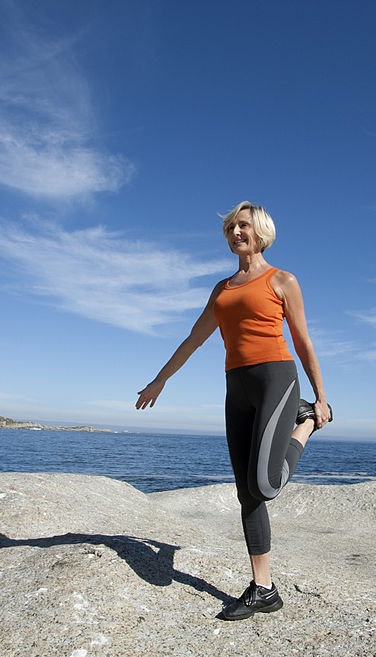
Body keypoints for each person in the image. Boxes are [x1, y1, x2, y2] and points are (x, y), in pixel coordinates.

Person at [135, 200, 331, 621]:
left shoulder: (282, 280)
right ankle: (264, 588)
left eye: (242, 226)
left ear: (260, 231)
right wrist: (160, 379)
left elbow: (303, 342)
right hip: (236, 386)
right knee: (246, 493)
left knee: (264, 486)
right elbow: (193, 339)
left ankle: (306, 424)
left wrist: (320, 397)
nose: (234, 233)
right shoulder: (222, 290)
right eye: (229, 228)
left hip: (276, 380)